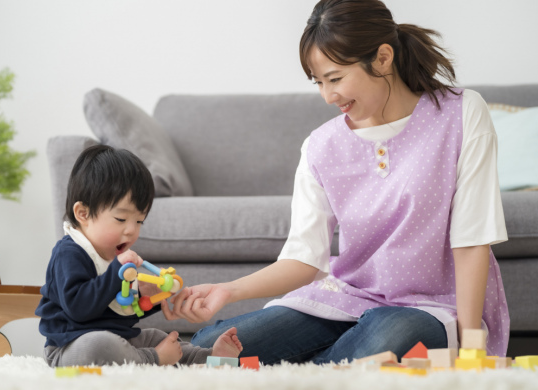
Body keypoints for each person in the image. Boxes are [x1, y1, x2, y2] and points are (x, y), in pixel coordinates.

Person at [162, 0, 509, 364]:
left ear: (383, 58)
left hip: (431, 307)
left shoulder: (461, 114)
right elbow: (303, 259)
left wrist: (472, 351)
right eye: (319, 82)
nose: (328, 96)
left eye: (336, 78)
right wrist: (226, 290)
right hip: (344, 298)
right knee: (212, 342)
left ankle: (288, 372)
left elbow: (472, 239)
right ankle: (328, 369)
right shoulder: (320, 147)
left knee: (389, 335)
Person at [35, 145, 242, 367]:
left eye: (139, 221)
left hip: (119, 338)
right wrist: (115, 273)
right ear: (83, 214)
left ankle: (211, 359)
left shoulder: (115, 257)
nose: (131, 230)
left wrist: (148, 297)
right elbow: (79, 308)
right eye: (121, 220)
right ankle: (154, 359)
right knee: (99, 345)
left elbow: (121, 311)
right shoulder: (70, 253)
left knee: (156, 336)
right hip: (70, 347)